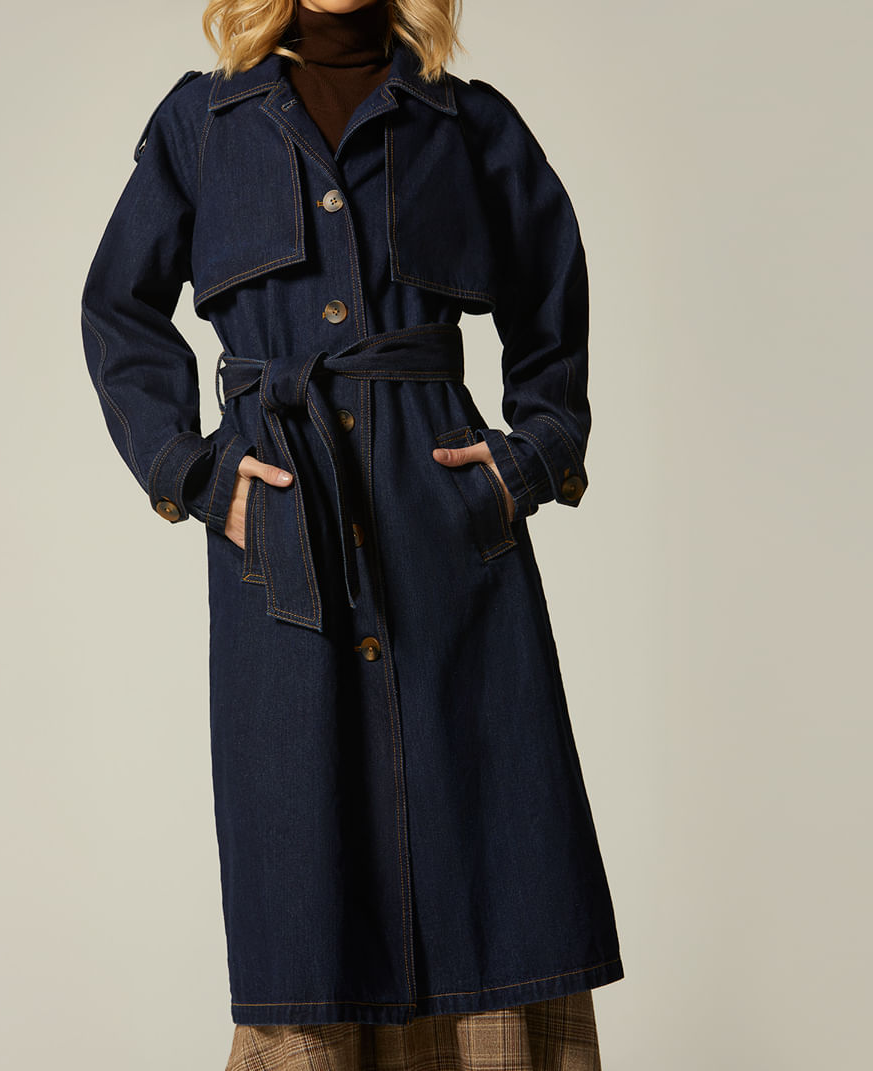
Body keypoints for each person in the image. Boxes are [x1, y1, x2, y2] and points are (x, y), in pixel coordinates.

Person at [80, 1, 624, 1067]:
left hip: (447, 542)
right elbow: (118, 310)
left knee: (493, 878)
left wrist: (529, 457)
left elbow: (552, 291)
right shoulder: (202, 123)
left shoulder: (464, 121)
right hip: (287, 534)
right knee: (306, 898)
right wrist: (195, 473)